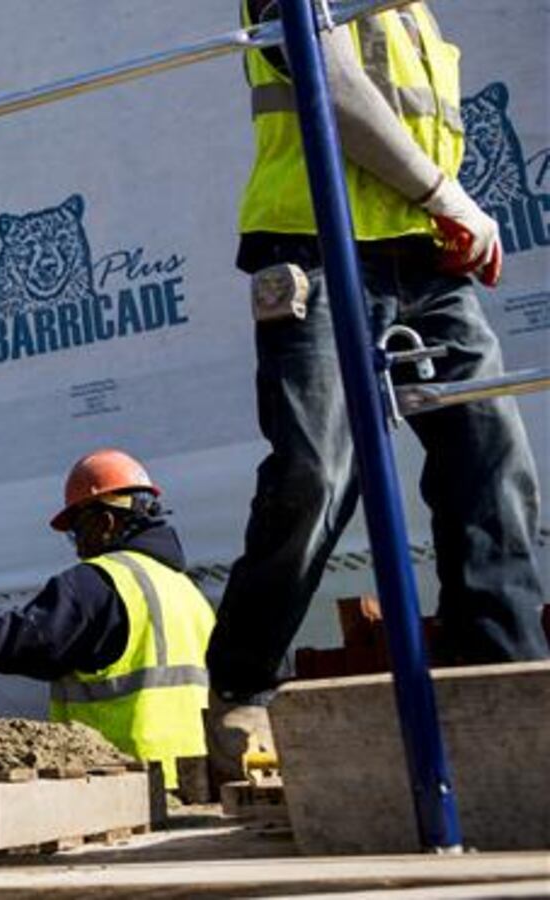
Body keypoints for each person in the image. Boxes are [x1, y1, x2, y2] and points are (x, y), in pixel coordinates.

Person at [208, 0, 550, 781]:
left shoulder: (414, 11)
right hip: (314, 247)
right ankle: (244, 683)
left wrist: (438, 209)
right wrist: (449, 195)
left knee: (493, 465)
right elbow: (330, 87)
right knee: (316, 476)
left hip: (425, 262)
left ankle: (506, 685)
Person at [0, 450, 215, 786]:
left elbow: (29, 640)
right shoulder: (186, 590)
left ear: (105, 523)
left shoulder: (101, 581)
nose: (77, 547)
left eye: (78, 532)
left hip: (126, 780)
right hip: (193, 780)